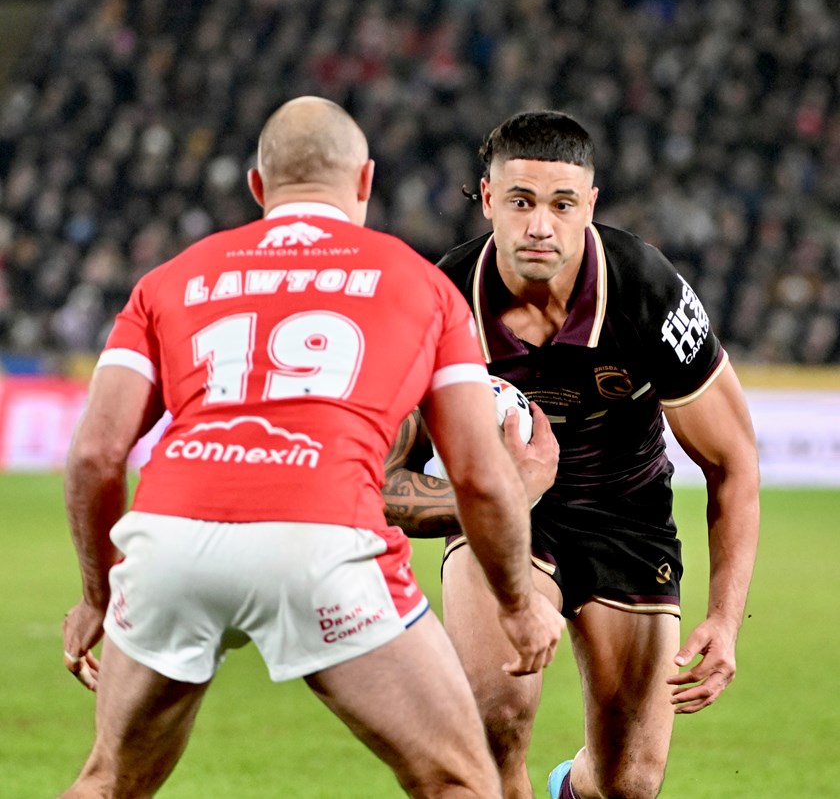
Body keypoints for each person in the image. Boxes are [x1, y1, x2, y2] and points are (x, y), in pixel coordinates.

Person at [60, 96, 563, 799]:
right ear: (365, 182)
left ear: (258, 188)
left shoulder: (169, 279)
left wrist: (96, 591)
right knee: (458, 779)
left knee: (110, 779)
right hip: (322, 537)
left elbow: (94, 455)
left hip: (172, 535)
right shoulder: (423, 284)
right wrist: (517, 603)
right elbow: (479, 473)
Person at [382, 110, 760, 799]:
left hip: (628, 516)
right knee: (494, 718)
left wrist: (725, 618)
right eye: (521, 201)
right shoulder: (442, 304)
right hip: (505, 513)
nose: (539, 226)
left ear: (591, 203)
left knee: (629, 782)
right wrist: (495, 499)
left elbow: (732, 460)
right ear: (488, 198)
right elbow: (386, 483)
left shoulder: (646, 290)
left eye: (562, 204)